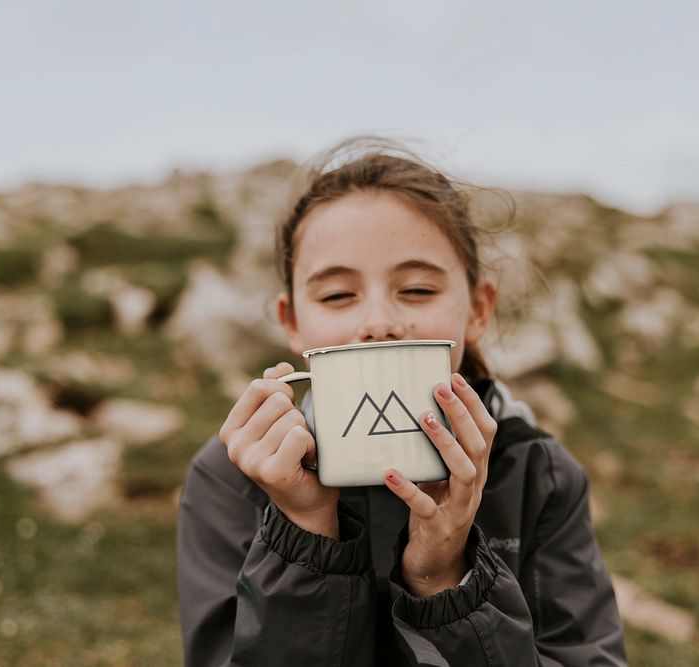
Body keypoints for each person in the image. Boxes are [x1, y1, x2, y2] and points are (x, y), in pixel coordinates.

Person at [176, 138, 627, 666]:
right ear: (293, 323)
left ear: (478, 310)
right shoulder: (231, 477)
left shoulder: (536, 474)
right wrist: (304, 535)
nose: (379, 324)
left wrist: (444, 576)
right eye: (337, 295)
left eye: (416, 290)